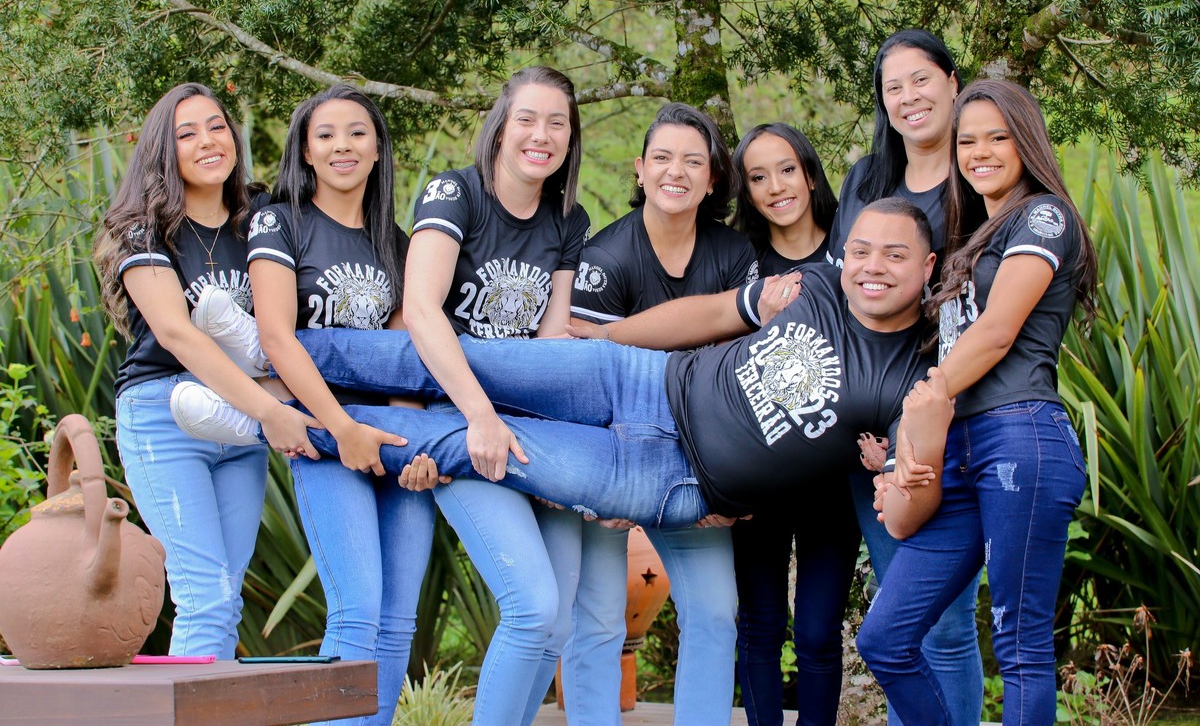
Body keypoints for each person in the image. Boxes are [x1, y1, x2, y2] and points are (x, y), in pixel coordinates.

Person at [182, 200, 942, 542]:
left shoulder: (908, 383)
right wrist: (605, 338)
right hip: (639, 380)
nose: (872, 267)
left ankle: (264, 420)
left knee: (469, 445)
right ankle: (264, 353)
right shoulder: (817, 286)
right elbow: (711, 315)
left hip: (668, 479)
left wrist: (905, 479)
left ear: (929, 267)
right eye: (863, 251)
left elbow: (903, 516)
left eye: (895, 256)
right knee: (455, 359)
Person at [179, 84, 437, 726]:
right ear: (305, 151)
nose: (342, 146)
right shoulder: (281, 222)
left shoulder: (398, 243)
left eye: (357, 133)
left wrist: (414, 444)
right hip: (323, 438)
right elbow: (276, 337)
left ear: (377, 149)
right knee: (358, 609)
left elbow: (406, 352)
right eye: (325, 135)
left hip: (395, 441)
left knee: (397, 621)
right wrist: (342, 428)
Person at [857, 79, 1096, 726]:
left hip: (1021, 436)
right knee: (885, 637)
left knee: (1020, 645)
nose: (980, 152)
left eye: (998, 137)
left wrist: (924, 402)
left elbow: (995, 332)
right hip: (959, 447)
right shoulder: (979, 234)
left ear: (1027, 143)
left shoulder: (1043, 217)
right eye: (967, 141)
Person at [94, 82, 317, 658]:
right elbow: (176, 333)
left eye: (217, 126)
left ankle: (206, 697)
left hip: (239, 422)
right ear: (162, 152)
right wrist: (272, 412)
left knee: (226, 595)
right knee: (205, 596)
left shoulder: (260, 222)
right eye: (186, 134)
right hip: (166, 416)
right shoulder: (144, 231)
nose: (208, 141)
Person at [401, 66, 590, 725]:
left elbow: (552, 339)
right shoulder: (455, 193)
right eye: (527, 119)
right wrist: (479, 417)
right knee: (532, 607)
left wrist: (560, 453)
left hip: (532, 428)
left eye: (558, 123)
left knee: (559, 623)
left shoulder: (568, 218)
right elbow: (420, 309)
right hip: (460, 424)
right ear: (501, 127)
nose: (542, 135)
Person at [563, 102, 756, 726]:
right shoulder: (604, 256)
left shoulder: (735, 254)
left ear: (713, 178)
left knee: (715, 611)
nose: (677, 171)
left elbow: (743, 378)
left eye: (693, 161)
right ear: (640, 169)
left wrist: (727, 482)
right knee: (597, 617)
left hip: (697, 464)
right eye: (664, 158)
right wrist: (606, 489)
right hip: (612, 458)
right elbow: (585, 379)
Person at [825, 28, 985, 726]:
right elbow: (843, 285)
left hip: (948, 416)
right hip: (867, 418)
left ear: (952, 82)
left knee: (943, 623)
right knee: (899, 616)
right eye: (893, 87)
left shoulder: (978, 179)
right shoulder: (868, 179)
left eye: (921, 79)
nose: (909, 97)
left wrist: (932, 410)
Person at [727, 123, 853, 726]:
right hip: (760, 470)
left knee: (819, 632)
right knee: (760, 625)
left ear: (809, 173)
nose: (776, 187)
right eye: (758, 177)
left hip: (834, 471)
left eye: (786, 170)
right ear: (746, 191)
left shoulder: (851, 249)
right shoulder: (738, 262)